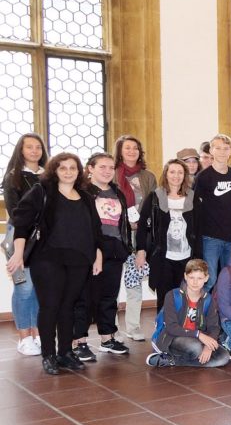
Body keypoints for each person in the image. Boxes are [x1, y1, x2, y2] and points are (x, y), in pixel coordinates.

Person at [7, 153, 102, 375]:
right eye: (62, 168)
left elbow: (95, 229)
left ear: (79, 172)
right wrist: (18, 253)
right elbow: (21, 223)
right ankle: (49, 355)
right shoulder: (42, 192)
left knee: (68, 306)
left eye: (72, 168)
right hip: (47, 258)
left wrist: (98, 254)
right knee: (50, 306)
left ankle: (66, 353)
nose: (68, 172)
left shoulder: (86, 196)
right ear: (54, 171)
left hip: (79, 259)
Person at [71, 152, 133, 360]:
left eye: (110, 167)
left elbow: (122, 223)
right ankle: (79, 342)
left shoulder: (117, 192)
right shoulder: (82, 192)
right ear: (90, 168)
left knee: (109, 297)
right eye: (102, 167)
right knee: (85, 297)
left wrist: (126, 247)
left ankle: (107, 338)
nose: (107, 171)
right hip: (91, 250)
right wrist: (91, 250)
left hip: (115, 250)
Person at [137, 159, 199, 317]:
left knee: (186, 298)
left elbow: (199, 229)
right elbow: (143, 226)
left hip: (187, 257)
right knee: (165, 299)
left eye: (180, 172)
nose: (176, 176)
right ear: (166, 174)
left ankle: (183, 334)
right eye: (172, 172)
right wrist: (141, 251)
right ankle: (163, 334)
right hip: (163, 258)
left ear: (185, 175)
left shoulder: (192, 197)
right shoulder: (155, 197)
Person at [3, 132, 46, 355]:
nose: (34, 151)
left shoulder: (48, 175)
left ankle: (37, 333)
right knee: (24, 286)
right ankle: (23, 337)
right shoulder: (13, 176)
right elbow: (15, 211)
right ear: (21, 150)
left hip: (44, 237)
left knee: (39, 287)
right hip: (20, 235)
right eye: (29, 147)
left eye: (38, 147)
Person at [148, 259, 229, 368]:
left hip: (197, 339)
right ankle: (167, 353)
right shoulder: (172, 295)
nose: (195, 282)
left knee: (223, 357)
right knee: (195, 348)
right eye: (191, 277)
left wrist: (208, 346)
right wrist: (199, 335)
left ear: (206, 278)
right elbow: (171, 327)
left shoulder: (209, 299)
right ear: (185, 276)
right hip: (172, 337)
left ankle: (170, 360)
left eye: (199, 278)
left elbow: (214, 327)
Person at [115, 135, 157, 342]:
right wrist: (124, 220)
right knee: (111, 284)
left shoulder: (148, 176)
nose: (132, 151)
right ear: (120, 151)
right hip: (115, 235)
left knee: (134, 281)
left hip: (139, 236)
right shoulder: (112, 174)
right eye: (127, 148)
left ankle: (133, 326)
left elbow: (153, 205)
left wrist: (142, 224)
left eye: (135, 148)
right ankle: (111, 329)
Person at [194, 134, 231, 289]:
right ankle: (201, 311)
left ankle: (225, 313)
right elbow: (195, 206)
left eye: (226, 148)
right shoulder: (203, 177)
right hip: (210, 237)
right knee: (210, 279)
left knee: (230, 279)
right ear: (211, 150)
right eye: (218, 148)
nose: (222, 152)